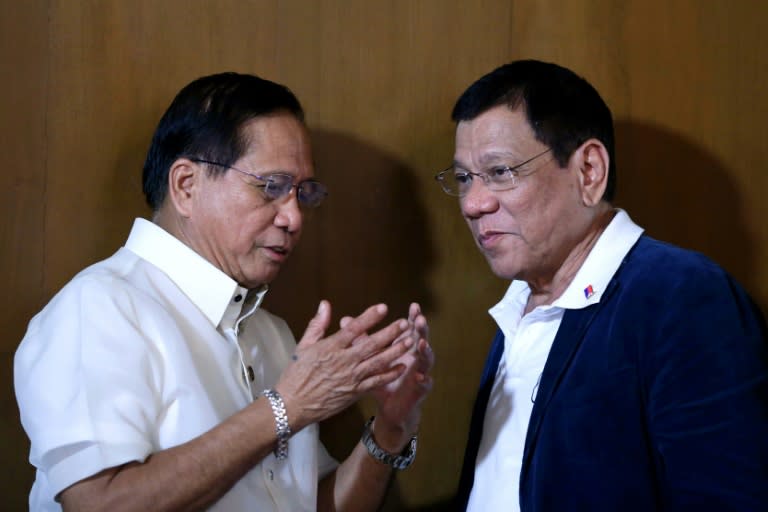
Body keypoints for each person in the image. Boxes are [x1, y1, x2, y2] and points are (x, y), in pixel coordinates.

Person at [15, 72, 434, 512]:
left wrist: (390, 428)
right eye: (271, 187)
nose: (294, 217)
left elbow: (314, 505)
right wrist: (287, 405)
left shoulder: (271, 333)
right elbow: (99, 504)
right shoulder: (98, 308)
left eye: (301, 192)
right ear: (186, 186)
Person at [434, 60, 768, 511]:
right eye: (463, 179)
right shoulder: (519, 302)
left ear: (589, 171)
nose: (473, 204)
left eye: (500, 172)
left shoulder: (682, 296)